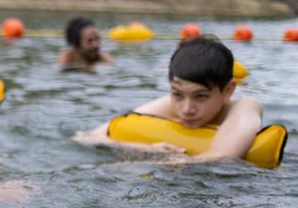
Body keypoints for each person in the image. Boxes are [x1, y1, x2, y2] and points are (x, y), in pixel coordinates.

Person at [78, 36, 263, 162]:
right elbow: (86, 137)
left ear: (228, 91)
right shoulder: (169, 104)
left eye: (201, 96)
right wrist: (147, 150)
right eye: (177, 94)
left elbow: (222, 157)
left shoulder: (245, 106)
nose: (186, 109)